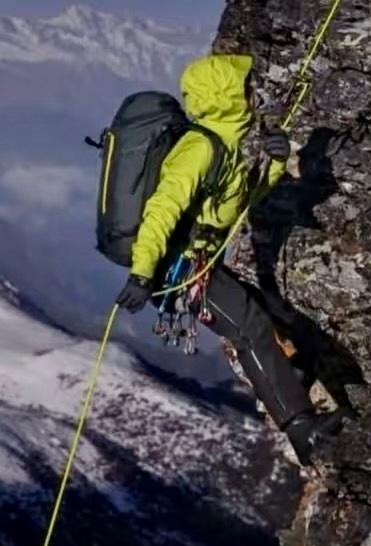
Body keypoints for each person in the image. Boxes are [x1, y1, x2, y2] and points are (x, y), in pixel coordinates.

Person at [114, 53, 342, 465]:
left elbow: (238, 209)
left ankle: (287, 379)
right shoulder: (199, 149)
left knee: (268, 315)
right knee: (249, 328)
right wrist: (142, 273)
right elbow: (162, 209)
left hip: (197, 263)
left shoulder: (224, 146)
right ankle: (303, 432)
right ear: (226, 96)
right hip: (180, 270)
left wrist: (275, 162)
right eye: (246, 87)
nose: (254, 94)